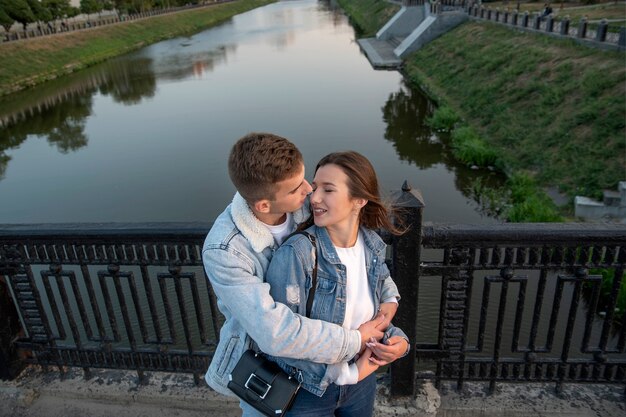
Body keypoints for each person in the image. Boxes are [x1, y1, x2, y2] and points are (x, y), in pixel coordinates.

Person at [202, 133, 403, 415]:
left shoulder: (307, 203)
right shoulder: (224, 250)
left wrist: (389, 299)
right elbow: (275, 332)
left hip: (341, 366)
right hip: (272, 370)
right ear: (263, 206)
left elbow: (361, 255)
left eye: (308, 179)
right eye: (298, 187)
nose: (310, 191)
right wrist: (355, 342)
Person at [265, 151, 410, 417]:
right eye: (315, 186)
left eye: (328, 189)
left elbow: (370, 320)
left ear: (359, 200)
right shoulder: (298, 254)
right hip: (307, 391)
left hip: (361, 385)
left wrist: (397, 344)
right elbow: (282, 340)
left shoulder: (371, 246)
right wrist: (348, 373)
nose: (314, 197)